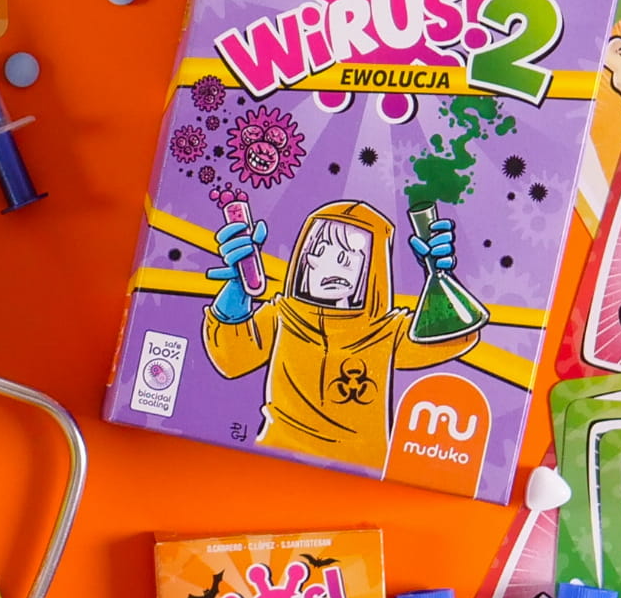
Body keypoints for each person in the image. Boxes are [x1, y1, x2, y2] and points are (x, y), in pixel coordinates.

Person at [204, 200, 483, 469]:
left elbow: (459, 337)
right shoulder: (282, 316)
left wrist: (439, 276)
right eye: (321, 251)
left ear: (373, 269)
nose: (334, 267)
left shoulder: (387, 331)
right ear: (305, 257)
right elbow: (232, 360)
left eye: (349, 258)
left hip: (365, 467)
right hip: (273, 453)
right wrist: (237, 290)